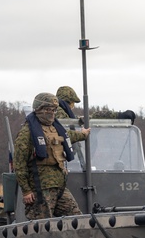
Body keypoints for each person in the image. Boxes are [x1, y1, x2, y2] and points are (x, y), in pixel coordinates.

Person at [14, 92, 90, 220]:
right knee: (42, 226)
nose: (52, 113)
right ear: (39, 109)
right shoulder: (27, 133)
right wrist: (26, 191)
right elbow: (19, 165)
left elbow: (67, 136)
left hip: (59, 186)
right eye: (48, 109)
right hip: (41, 189)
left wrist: (83, 134)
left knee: (77, 220)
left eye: (54, 110)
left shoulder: (55, 128)